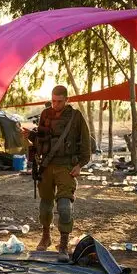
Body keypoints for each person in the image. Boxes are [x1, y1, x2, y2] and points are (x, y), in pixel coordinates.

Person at [28, 85, 91, 257]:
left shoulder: (75, 117)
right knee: (45, 207)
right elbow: (40, 138)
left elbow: (86, 144)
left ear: (67, 100)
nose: (55, 104)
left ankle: (63, 242)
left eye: (59, 101)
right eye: (53, 101)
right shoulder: (45, 114)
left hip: (66, 167)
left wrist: (80, 165)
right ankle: (46, 236)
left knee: (64, 207)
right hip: (46, 166)